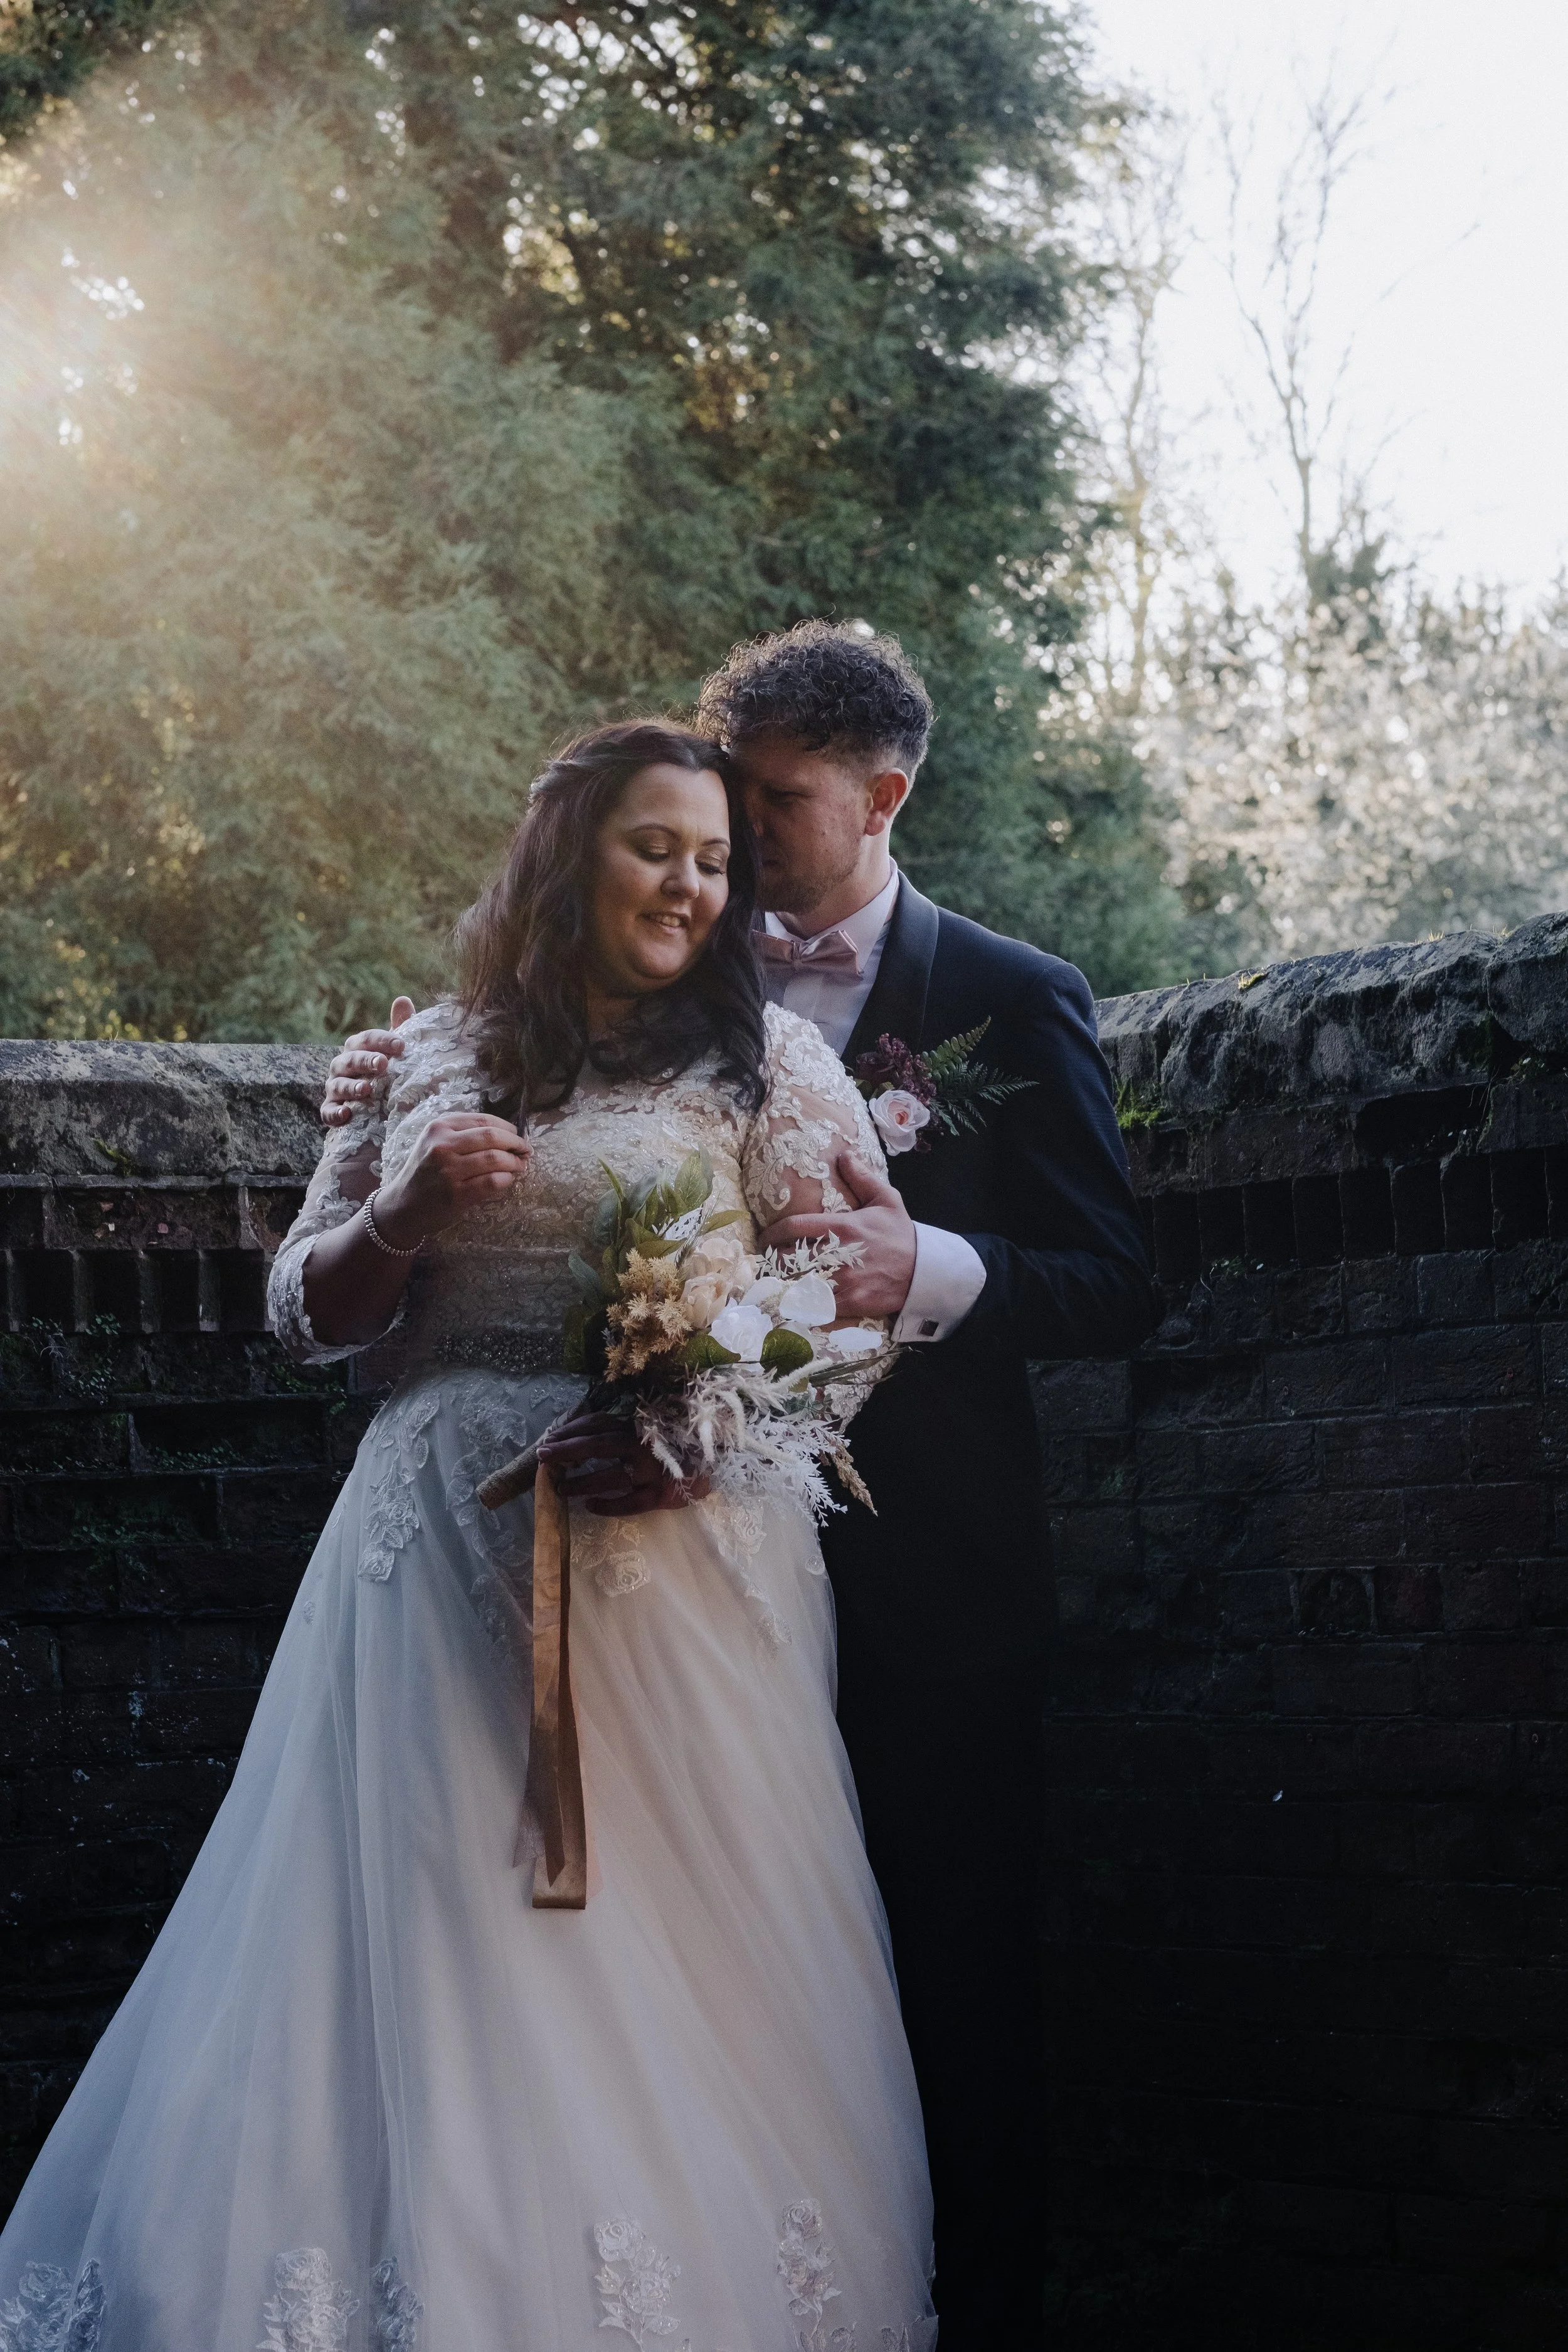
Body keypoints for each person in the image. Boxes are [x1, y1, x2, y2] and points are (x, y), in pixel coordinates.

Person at [0, 722, 938, 2350]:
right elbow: (309, 1309)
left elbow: (850, 1299)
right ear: (568, 853)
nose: (690, 883)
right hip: (433, 1555)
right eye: (659, 846)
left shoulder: (772, 1067)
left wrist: (698, 1412)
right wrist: (404, 1211)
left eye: (716, 859)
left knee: (666, 1946)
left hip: (672, 1569)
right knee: (441, 1926)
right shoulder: (426, 1056)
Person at [322, 625, 1160, 2344]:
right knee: (583, 1940)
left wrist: (907, 1262)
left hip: (912, 1571)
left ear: (882, 798)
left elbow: (1111, 1277)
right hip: (620, 1572)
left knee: (907, 1975)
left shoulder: (1007, 993)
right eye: (707, 820)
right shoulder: (637, 974)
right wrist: (382, 1095)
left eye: (770, 811)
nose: (733, 857)